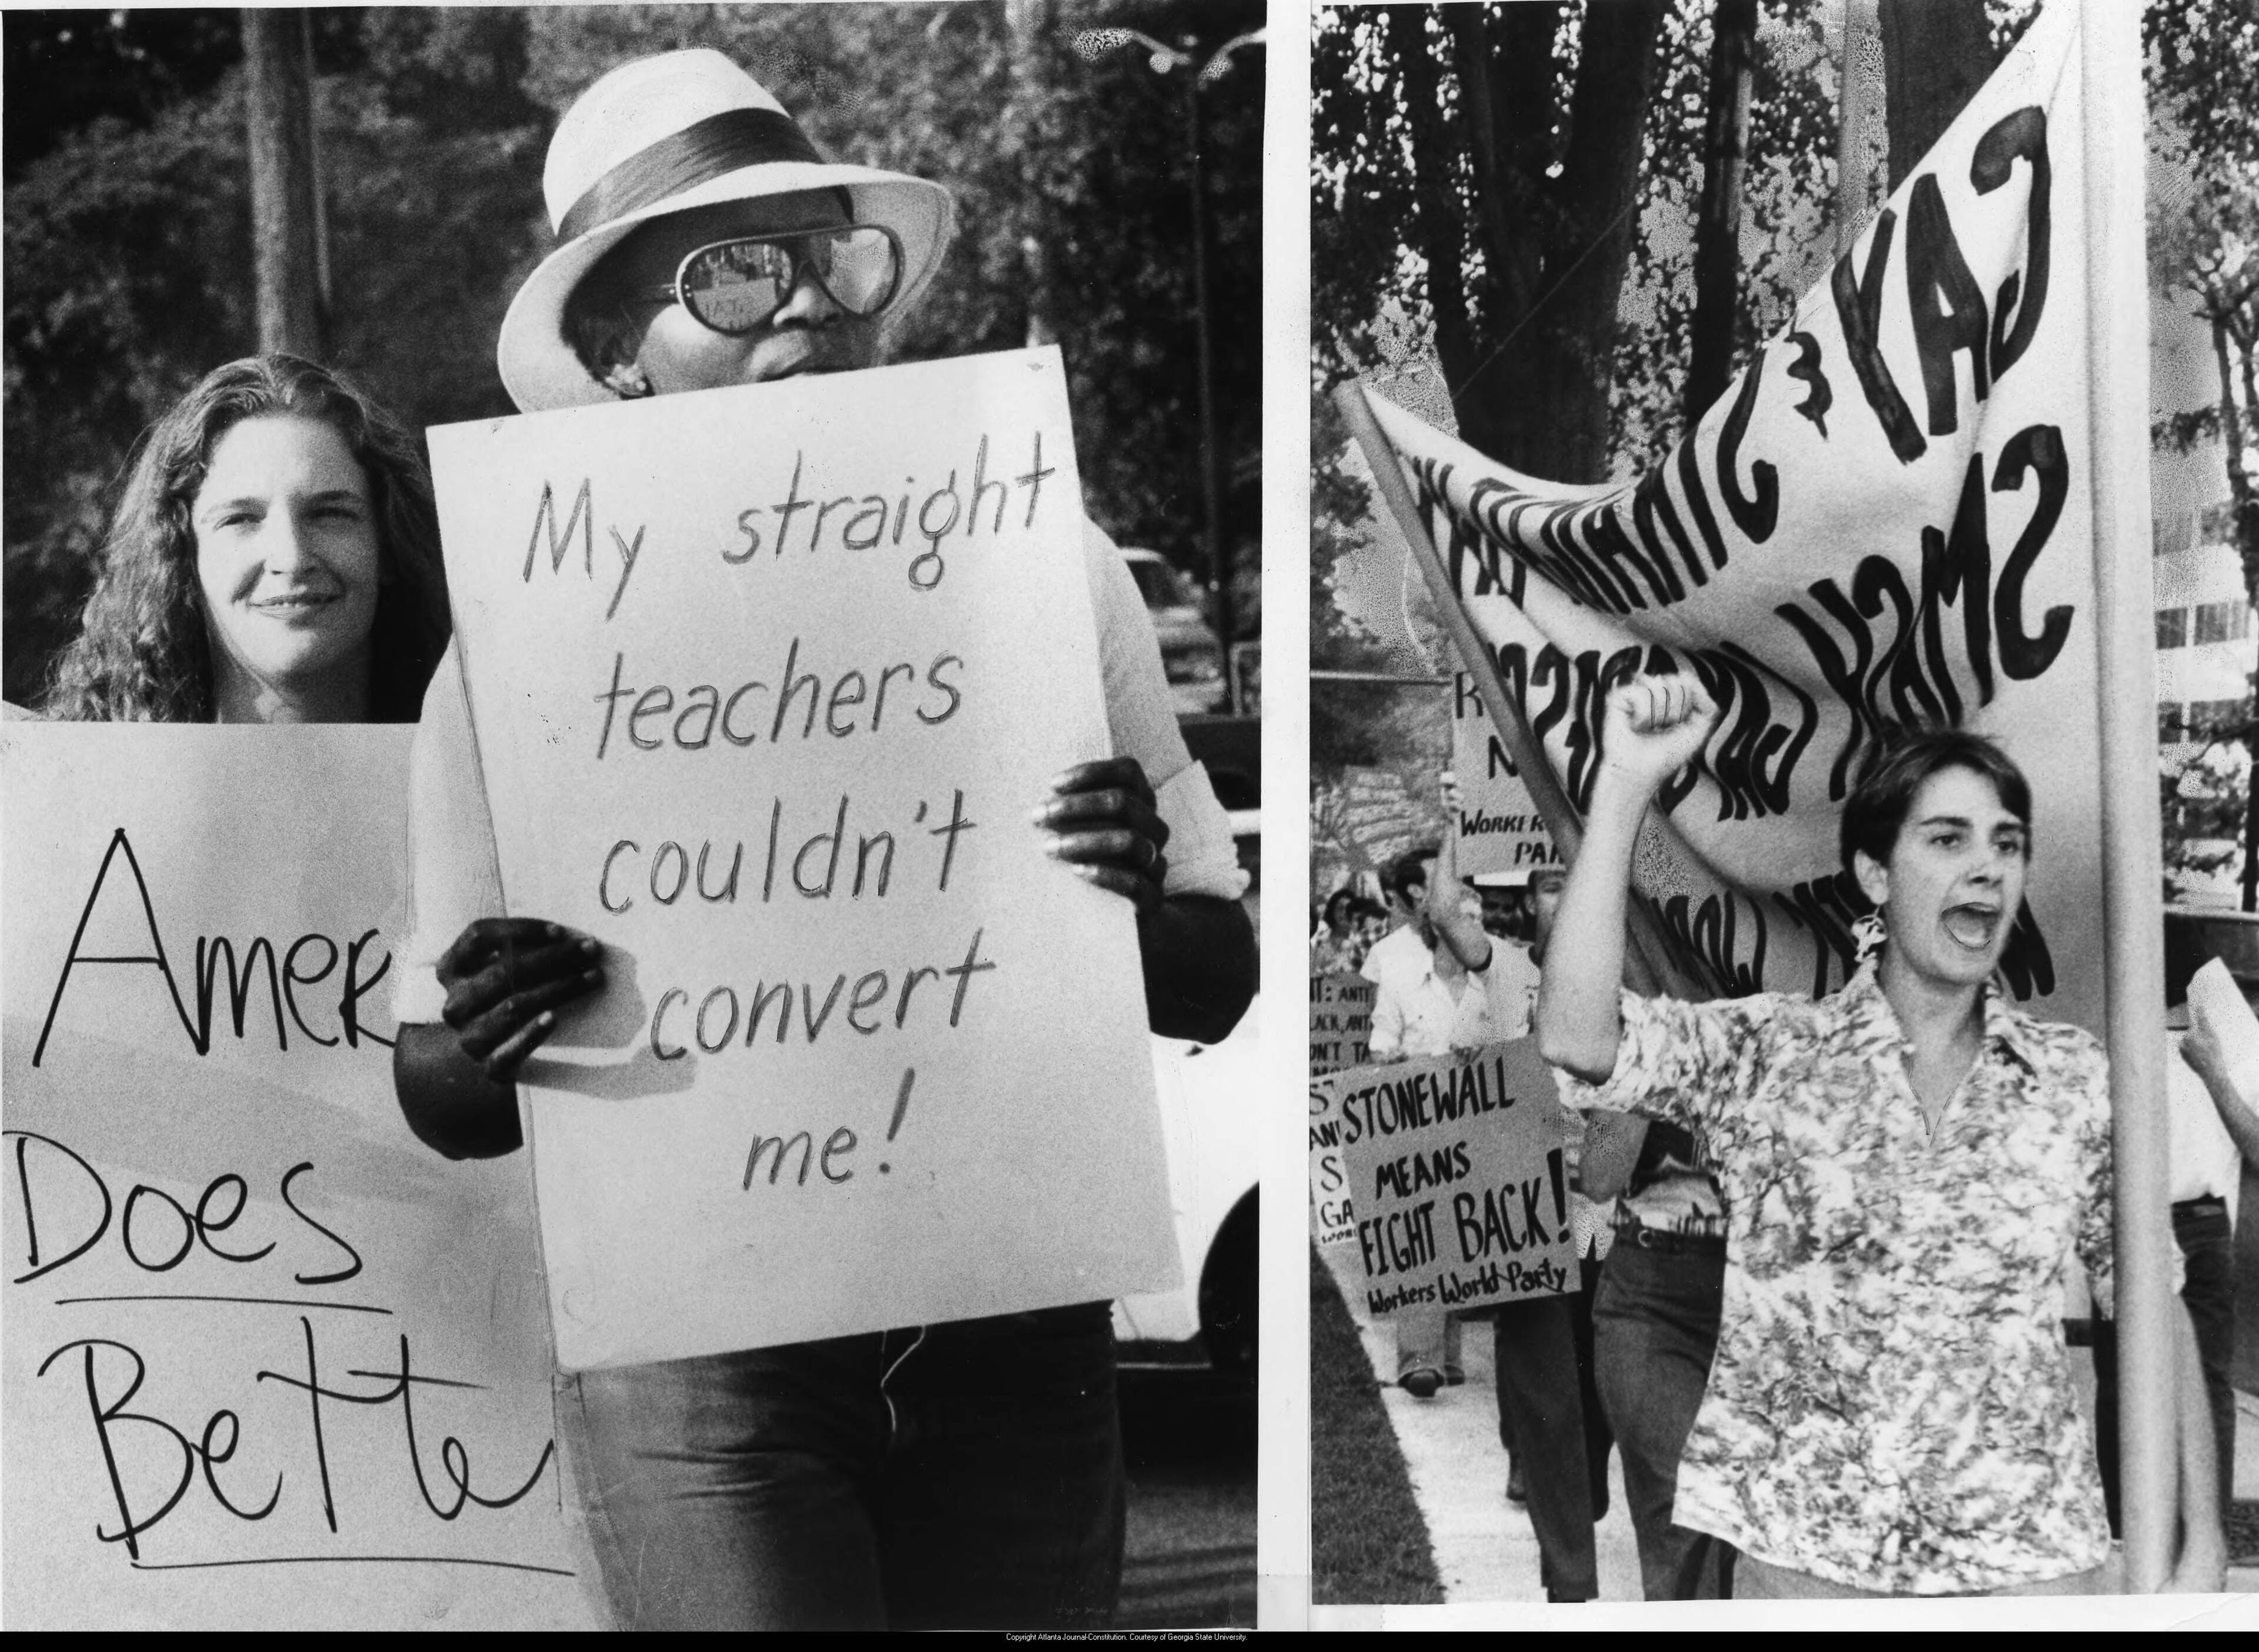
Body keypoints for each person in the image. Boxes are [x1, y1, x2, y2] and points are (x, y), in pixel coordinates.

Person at [385, 51, 1255, 1633]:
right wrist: (488, 1027)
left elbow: (1216, 974)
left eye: (834, 262)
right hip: (703, 1369)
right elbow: (437, 1096)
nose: (800, 308)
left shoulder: (1049, 567)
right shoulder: (520, 638)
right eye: (730, 274)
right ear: (616, 347)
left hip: (1015, 1333)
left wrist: (1115, 908)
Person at [1537, 671, 2225, 1598]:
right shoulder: (1771, 1055)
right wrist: (1624, 784)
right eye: (1946, 840)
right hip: (1807, 1577)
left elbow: (2154, 1303)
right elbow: (1579, 1036)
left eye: (2006, 844)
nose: (1987, 867)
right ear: (1874, 873)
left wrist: (2204, 1541)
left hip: (2026, 1575)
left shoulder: (2074, 1082)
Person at [45, 354, 450, 724]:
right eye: (241, 519)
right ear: (181, 555)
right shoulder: (74, 783)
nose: (291, 557)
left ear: (388, 546)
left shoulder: (493, 774)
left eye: (329, 514)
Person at [2093, 962, 2259, 1532]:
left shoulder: (2223, 1011)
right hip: (2119, 1222)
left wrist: (2213, 1072)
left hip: (2197, 1219)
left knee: (2202, 1390)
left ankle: (2202, 1538)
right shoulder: (2100, 986)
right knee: (2121, 1385)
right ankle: (2126, 1541)